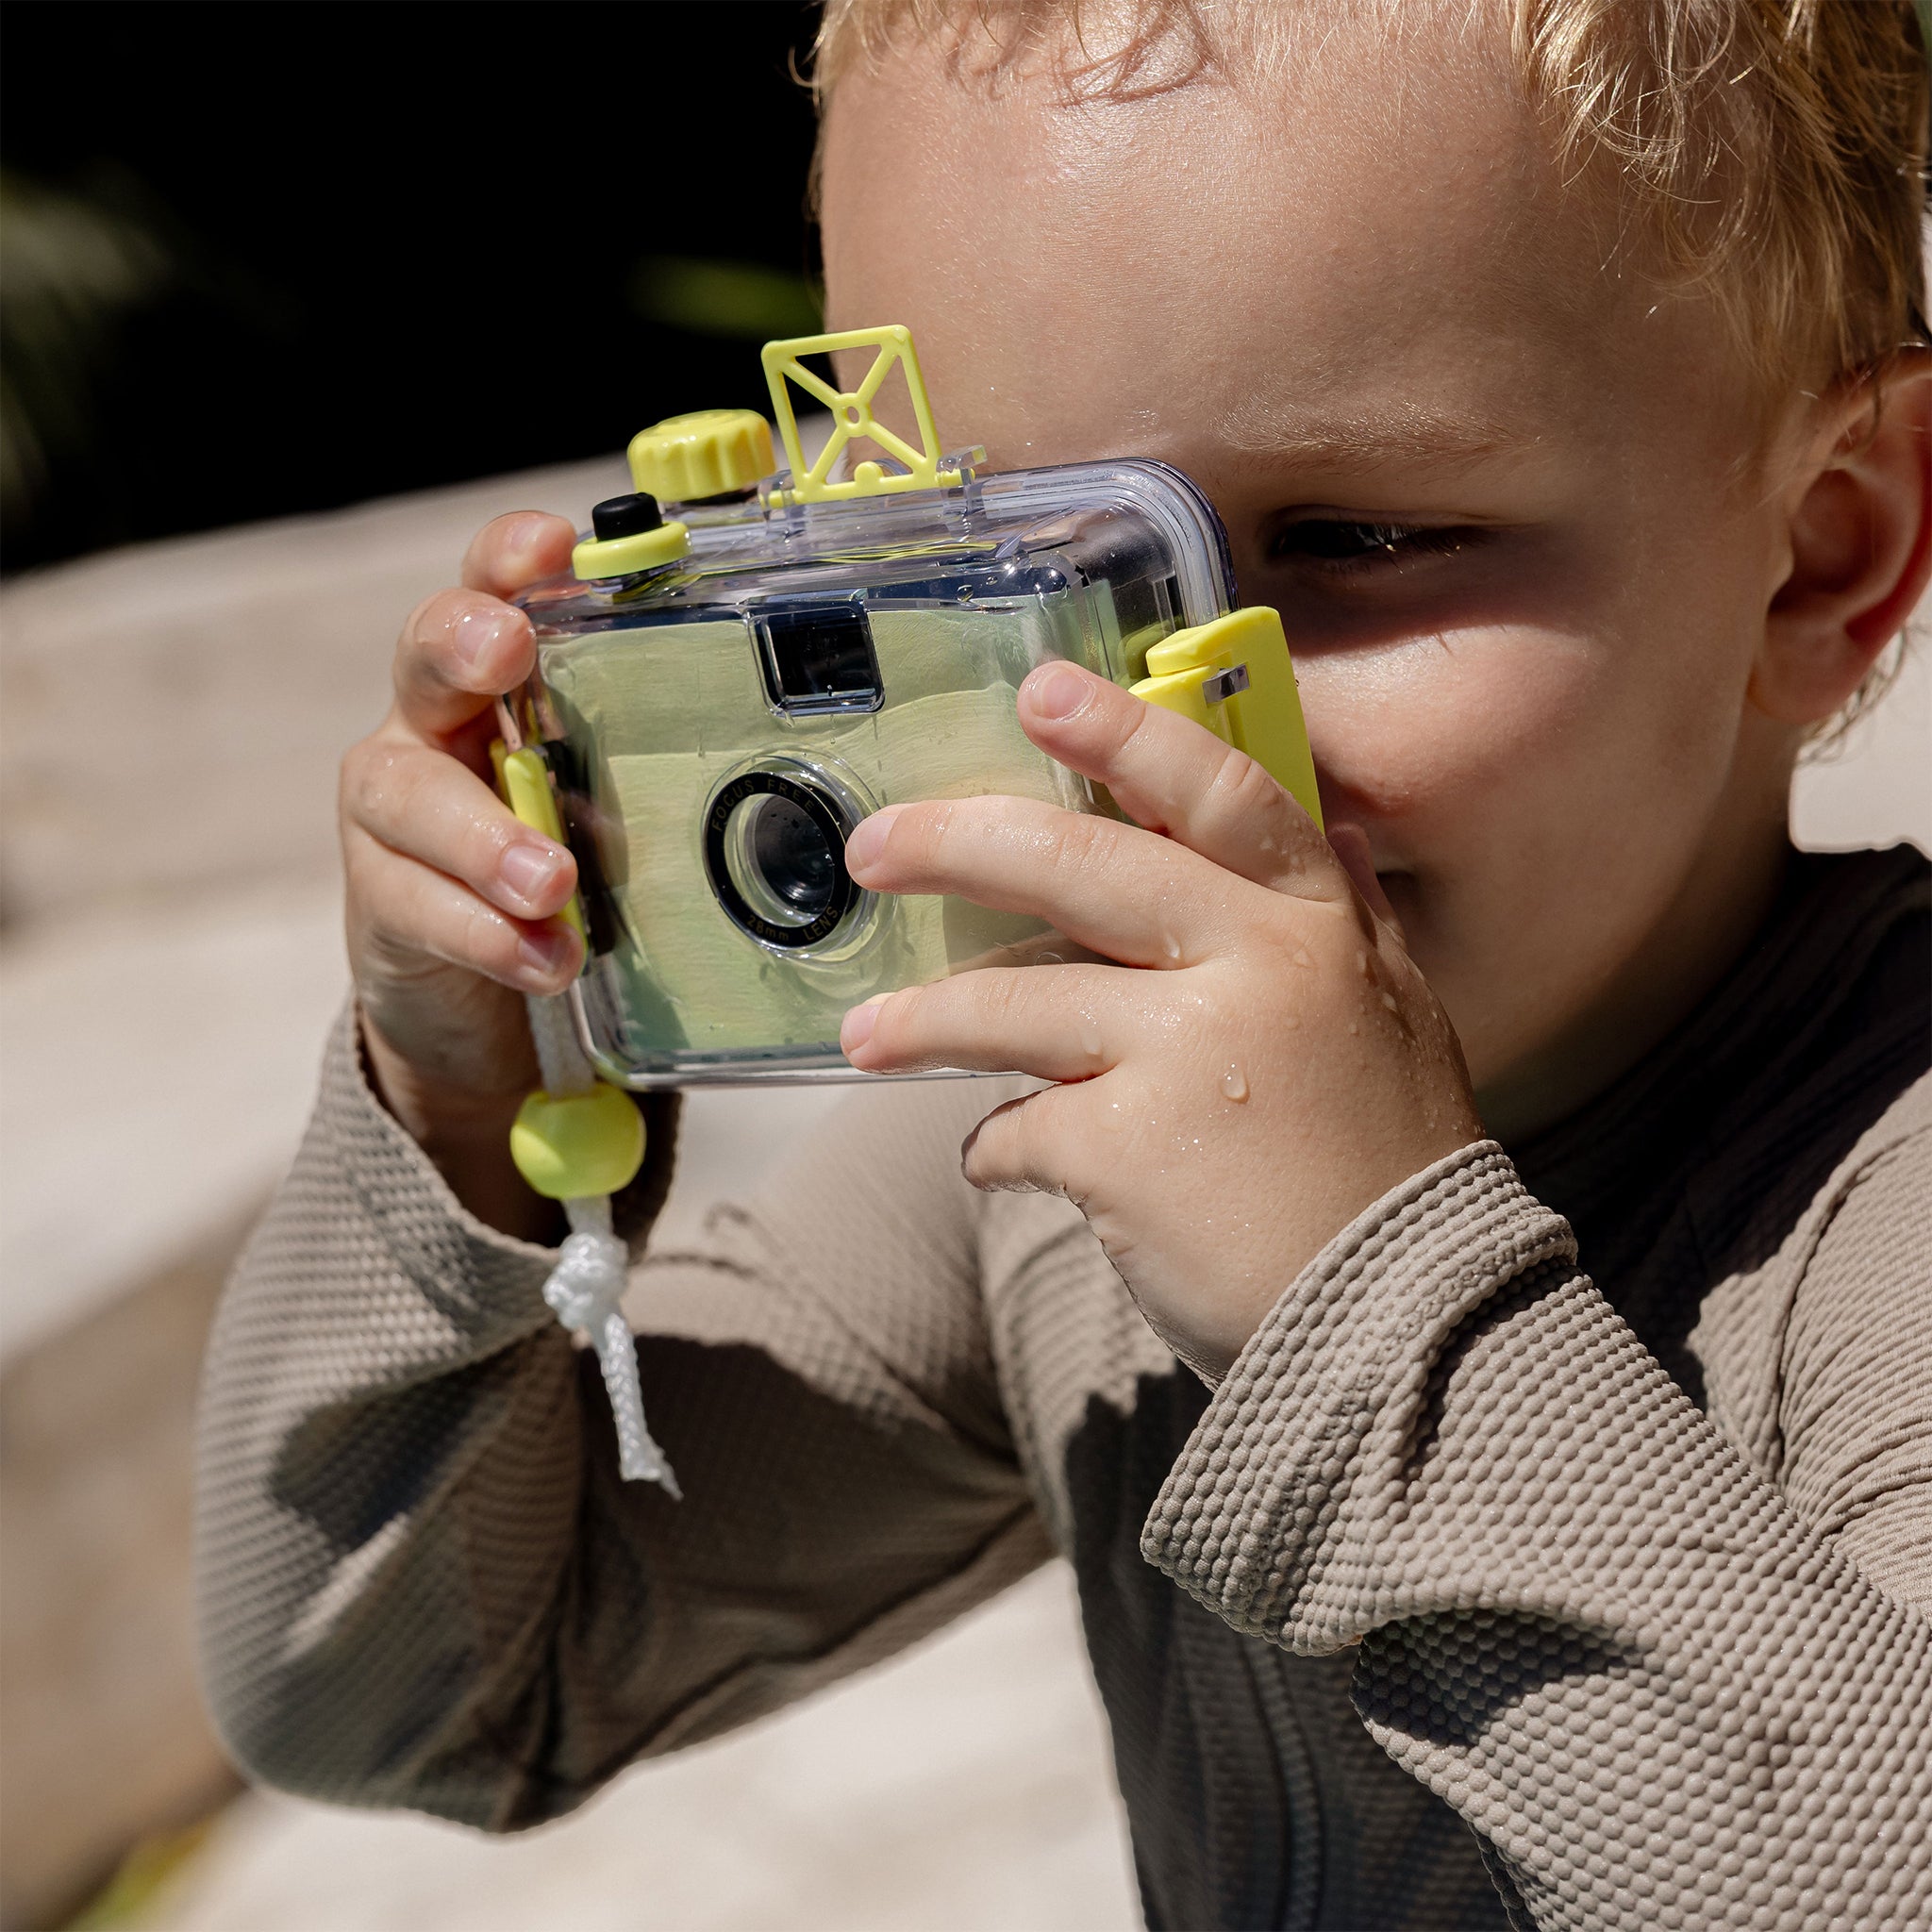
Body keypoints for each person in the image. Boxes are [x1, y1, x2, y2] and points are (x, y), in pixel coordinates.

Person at [194, 3, 1932, 1926]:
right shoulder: (1036, 1203)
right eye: (989, 558)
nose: (1120, 711)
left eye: (1352, 538)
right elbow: (400, 1688)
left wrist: (1357, 1299)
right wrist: (452, 1106)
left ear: (1818, 555)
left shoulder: (1891, 1205)